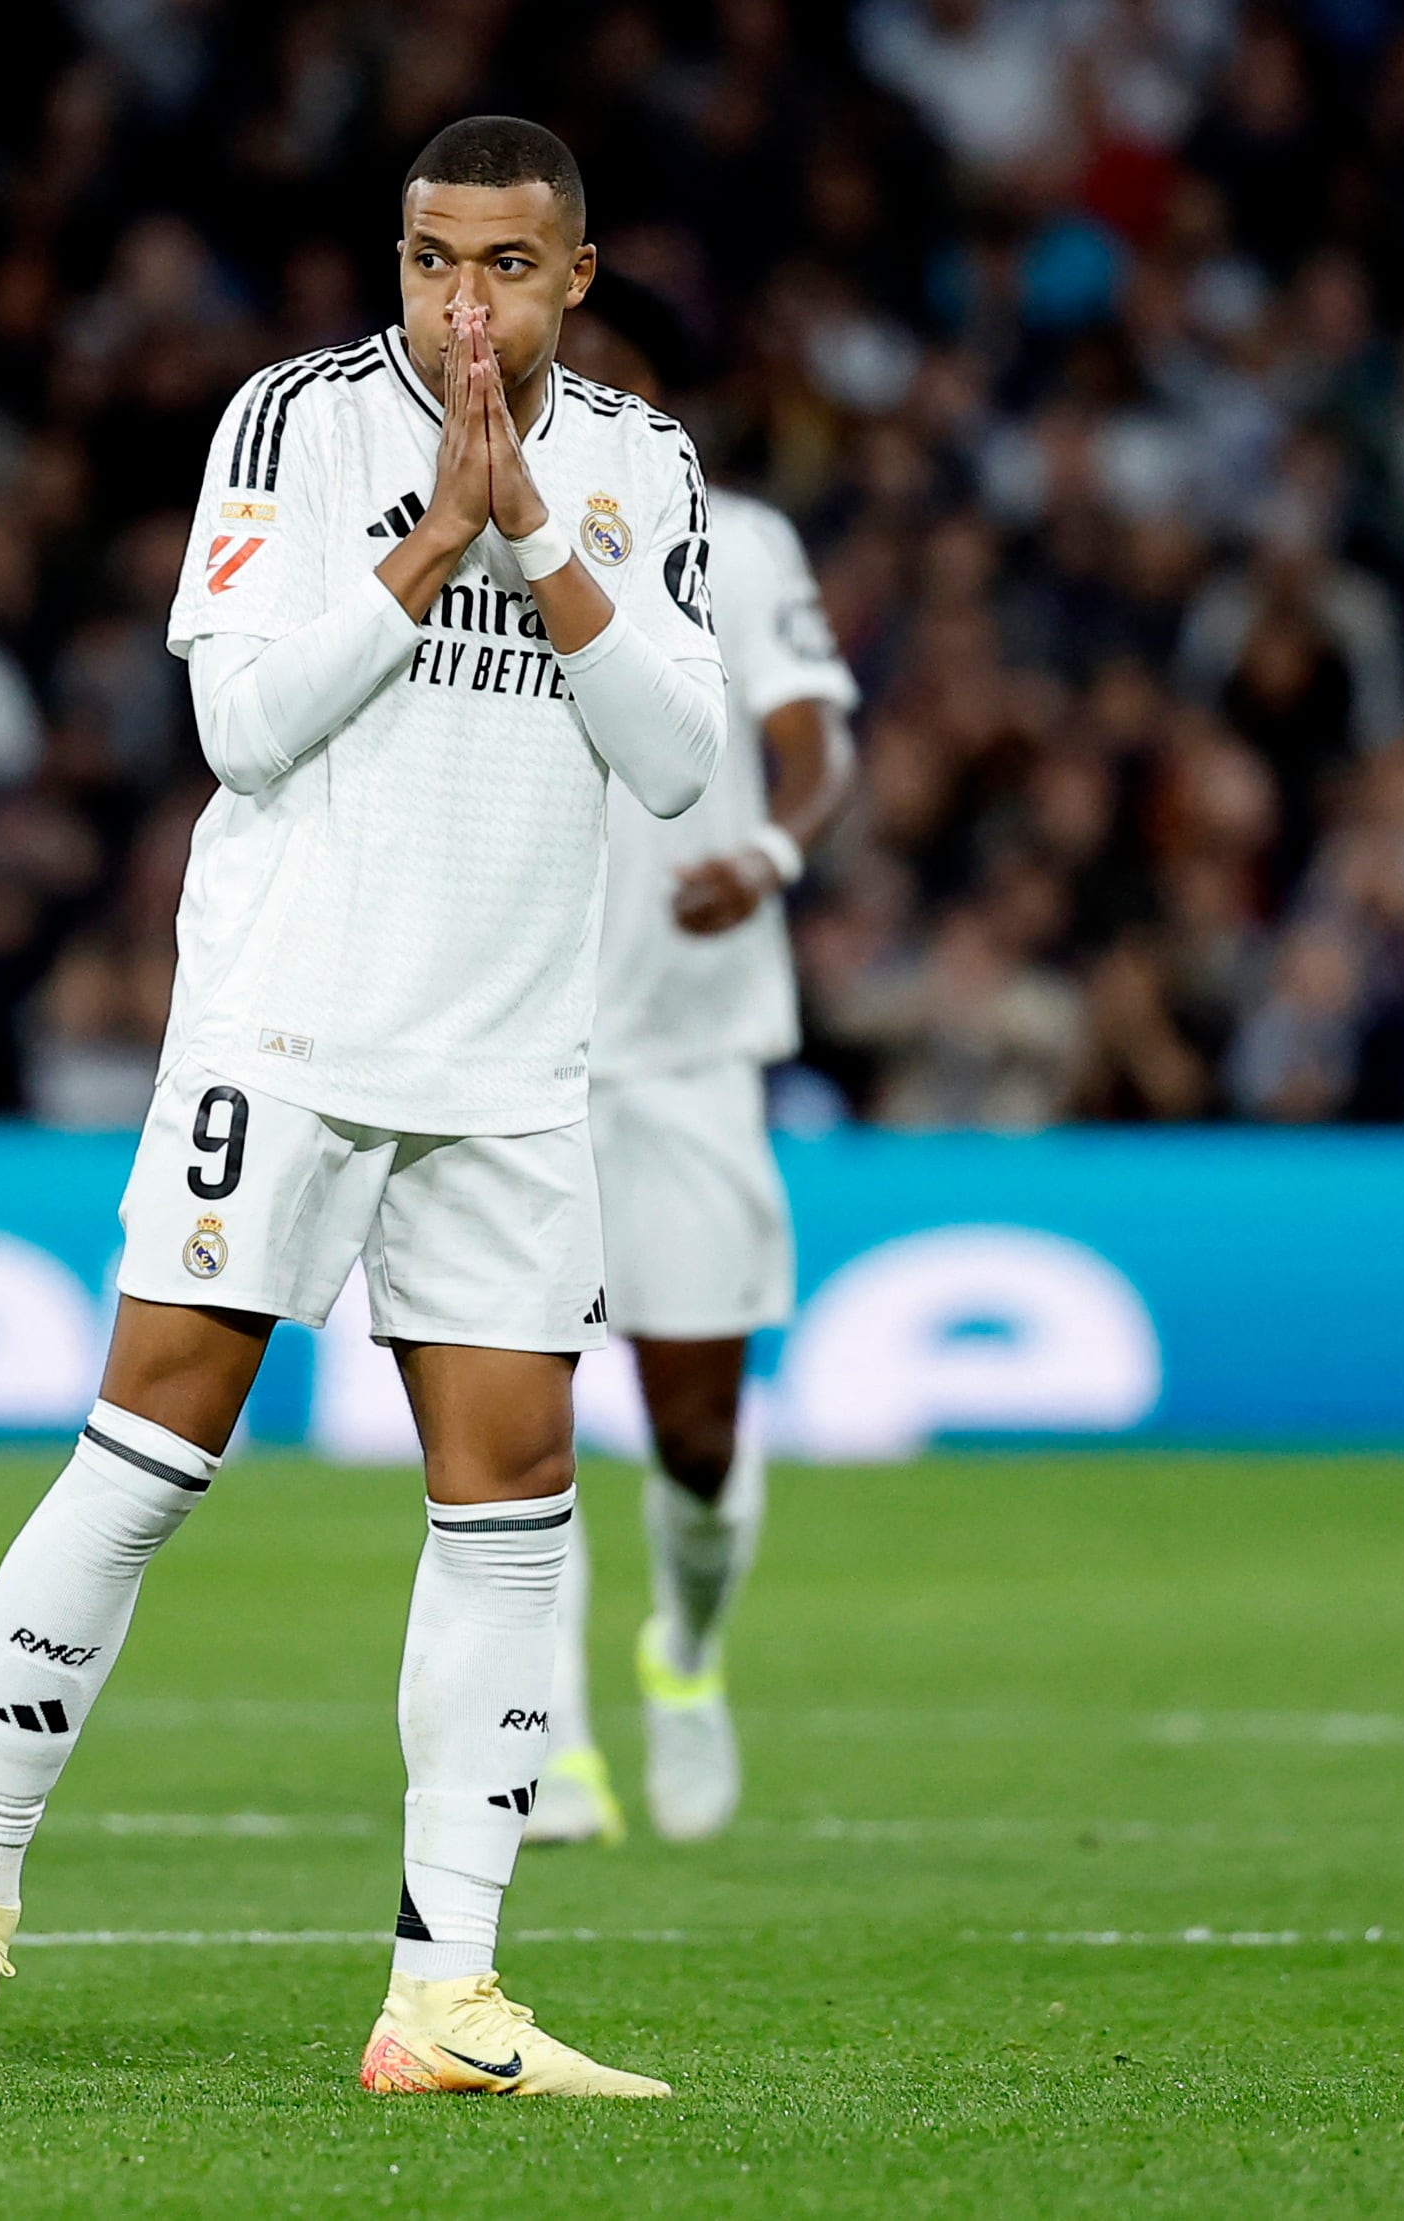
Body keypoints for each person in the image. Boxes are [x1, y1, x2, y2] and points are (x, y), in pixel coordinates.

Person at [0, 117, 723, 2103]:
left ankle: (446, 1996)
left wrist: (537, 545)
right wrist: (437, 531)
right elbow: (237, 725)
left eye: (505, 265)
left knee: (508, 1516)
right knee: (148, 1448)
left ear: (575, 276)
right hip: (291, 1035)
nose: (462, 303)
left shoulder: (643, 466)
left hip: (510, 1066)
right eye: (431, 260)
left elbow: (678, 763)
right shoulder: (291, 422)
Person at [524, 279, 858, 1848]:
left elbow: (816, 739)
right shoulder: (475, 530)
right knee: (520, 1412)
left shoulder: (748, 543)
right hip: (516, 1043)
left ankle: (687, 1650)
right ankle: (554, 1744)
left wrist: (778, 851)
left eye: (619, 376)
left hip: (693, 1046)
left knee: (699, 1435)